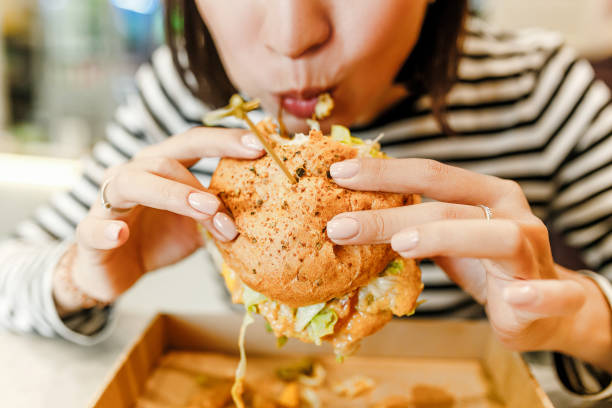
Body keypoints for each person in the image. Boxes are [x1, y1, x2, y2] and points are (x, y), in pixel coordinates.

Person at [1, 0, 611, 400]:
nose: (293, 37)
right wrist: (80, 276)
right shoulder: (183, 97)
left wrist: (583, 321)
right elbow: (11, 268)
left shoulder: (539, 89)